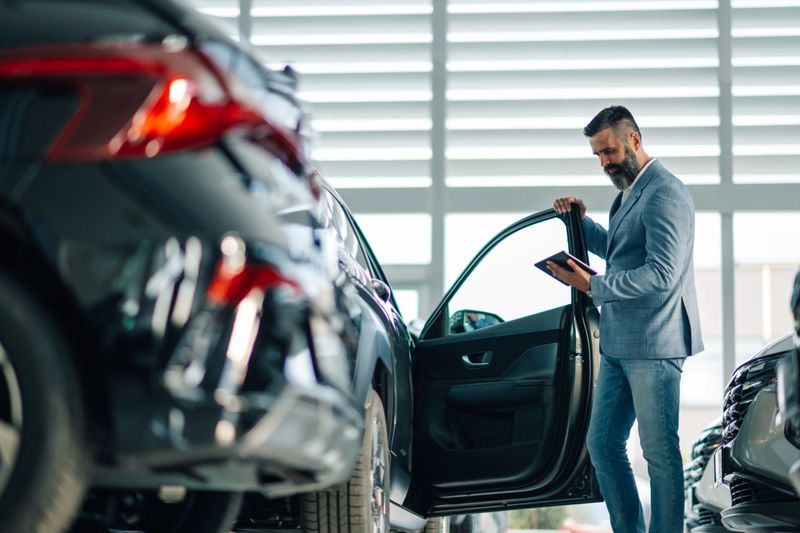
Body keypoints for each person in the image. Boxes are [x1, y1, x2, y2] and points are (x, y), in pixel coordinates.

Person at [548, 106, 703, 533]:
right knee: (602, 444)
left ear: (633, 139)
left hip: (655, 344)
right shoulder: (629, 193)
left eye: (609, 151)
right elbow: (620, 251)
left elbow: (661, 274)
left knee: (659, 454)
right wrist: (581, 222)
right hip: (620, 342)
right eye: (597, 155)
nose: (604, 162)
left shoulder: (665, 192)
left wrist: (592, 286)